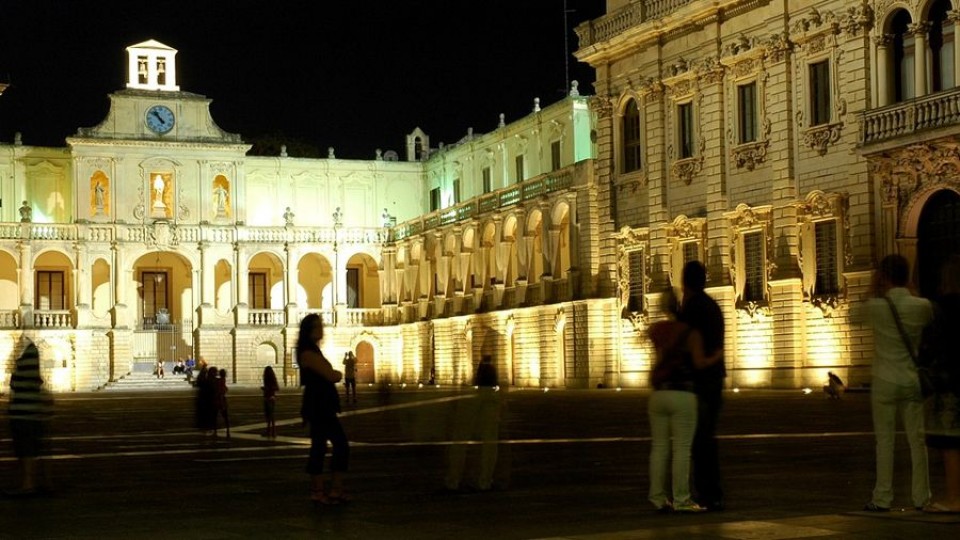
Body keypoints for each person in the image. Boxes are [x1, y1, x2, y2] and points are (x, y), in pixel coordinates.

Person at [856, 254, 933, 512]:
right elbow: (929, 320)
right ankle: (921, 497)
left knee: (885, 442)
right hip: (911, 379)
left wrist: (871, 288)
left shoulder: (876, 306)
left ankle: (882, 497)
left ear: (884, 277)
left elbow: (853, 316)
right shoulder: (922, 306)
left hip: (884, 380)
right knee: (917, 441)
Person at [647, 288, 720, 513]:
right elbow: (699, 363)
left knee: (659, 448)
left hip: (658, 395)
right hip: (682, 394)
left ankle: (658, 498)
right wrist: (716, 356)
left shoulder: (656, 330)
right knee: (681, 449)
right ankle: (681, 499)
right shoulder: (689, 333)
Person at [677, 260, 726, 511]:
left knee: (699, 440)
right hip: (715, 378)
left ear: (685, 282)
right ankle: (712, 492)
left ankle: (707, 493)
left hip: (699, 380)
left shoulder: (692, 308)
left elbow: (686, 343)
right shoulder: (713, 306)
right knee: (707, 437)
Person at [297, 313, 349, 505]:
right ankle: (332, 489)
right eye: (318, 326)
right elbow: (331, 375)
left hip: (318, 404)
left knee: (320, 446)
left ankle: (322, 491)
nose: (322, 329)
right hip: (320, 405)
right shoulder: (308, 352)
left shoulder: (311, 350)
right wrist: (337, 372)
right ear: (309, 331)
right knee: (339, 444)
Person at [922, 254, 960, 513]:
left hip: (951, 382)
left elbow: (931, 347)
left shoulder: (941, 308)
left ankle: (955, 499)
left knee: (951, 445)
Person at [7, 339, 54, 496]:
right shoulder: (35, 381)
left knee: (25, 452)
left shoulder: (20, 375)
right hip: (32, 417)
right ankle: (37, 482)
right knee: (32, 452)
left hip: (20, 418)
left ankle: (28, 484)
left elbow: (13, 387)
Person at [262, 366, 280, 438]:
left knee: (270, 415)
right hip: (271, 397)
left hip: (269, 398)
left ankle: (271, 431)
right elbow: (276, 388)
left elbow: (276, 388)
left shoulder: (268, 379)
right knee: (270, 416)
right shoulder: (271, 379)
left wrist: (267, 388)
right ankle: (271, 431)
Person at [217, 368, 230, 438]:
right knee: (225, 416)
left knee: (215, 416)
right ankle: (228, 431)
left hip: (219, 400)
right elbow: (223, 389)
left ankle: (215, 431)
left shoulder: (219, 380)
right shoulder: (222, 380)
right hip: (222, 400)